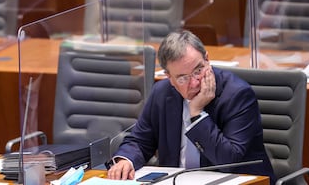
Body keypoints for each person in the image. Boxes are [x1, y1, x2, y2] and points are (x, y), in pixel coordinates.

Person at [107, 30, 276, 185]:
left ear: (207, 60)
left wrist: (197, 115)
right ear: (169, 78)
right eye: (182, 78)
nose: (194, 82)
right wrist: (126, 160)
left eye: (198, 70)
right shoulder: (162, 93)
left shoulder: (237, 95)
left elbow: (229, 161)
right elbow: (140, 140)